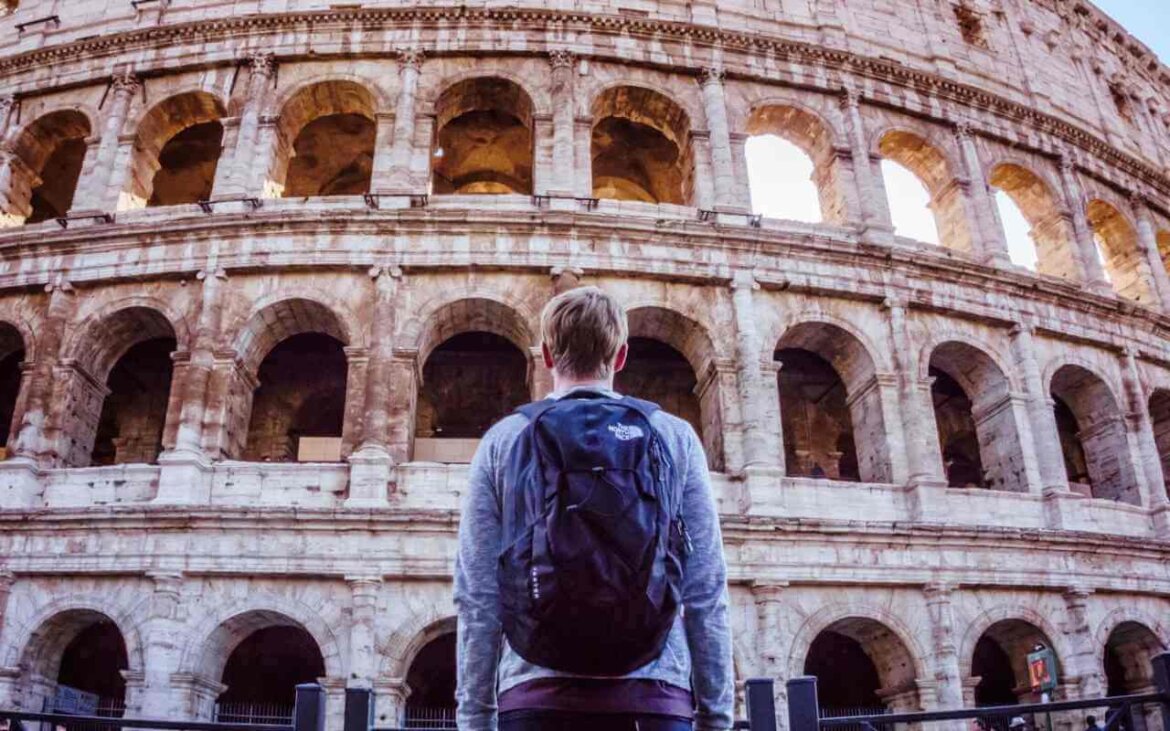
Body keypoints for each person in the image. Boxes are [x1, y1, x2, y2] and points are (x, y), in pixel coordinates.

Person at [454, 286, 734, 731]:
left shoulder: (504, 440)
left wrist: (476, 718)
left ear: (546, 355)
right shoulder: (673, 436)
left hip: (536, 697)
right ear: (621, 356)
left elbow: (478, 595)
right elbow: (706, 590)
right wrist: (716, 718)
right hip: (653, 698)